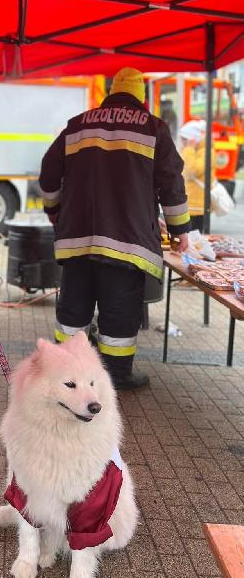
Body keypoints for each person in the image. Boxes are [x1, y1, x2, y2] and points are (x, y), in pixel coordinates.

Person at [39, 67, 190, 390]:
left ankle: (64, 374)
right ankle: (116, 376)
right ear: (142, 97)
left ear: (111, 91)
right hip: (127, 244)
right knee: (119, 315)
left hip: (77, 241)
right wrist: (180, 230)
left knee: (73, 313)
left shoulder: (78, 124)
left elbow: (48, 174)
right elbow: (171, 184)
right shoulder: (154, 128)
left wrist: (55, 211)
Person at [179, 119, 213, 232]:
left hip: (197, 206)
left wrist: (189, 148)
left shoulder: (206, 152)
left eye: (185, 140)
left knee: (192, 240)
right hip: (190, 203)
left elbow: (190, 171)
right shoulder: (194, 150)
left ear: (193, 139)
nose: (183, 143)